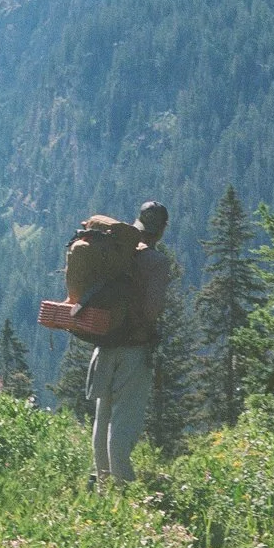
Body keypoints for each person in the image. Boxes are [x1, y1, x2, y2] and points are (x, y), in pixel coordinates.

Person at [85, 200, 171, 484]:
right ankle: (125, 494)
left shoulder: (115, 251)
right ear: (161, 231)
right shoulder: (156, 262)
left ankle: (104, 486)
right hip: (133, 350)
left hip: (104, 345)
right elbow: (151, 311)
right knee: (123, 425)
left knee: (103, 418)